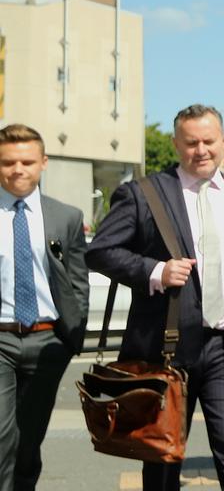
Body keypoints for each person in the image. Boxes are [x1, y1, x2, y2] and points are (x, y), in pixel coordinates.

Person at [88, 104, 224, 491]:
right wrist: (155, 271)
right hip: (164, 353)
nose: (201, 150)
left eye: (209, 141)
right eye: (191, 143)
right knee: (163, 460)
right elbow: (100, 251)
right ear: (176, 144)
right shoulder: (143, 194)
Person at [0, 124, 89, 491]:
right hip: (1, 339)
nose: (17, 169)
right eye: (8, 162)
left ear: (43, 163)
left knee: (29, 439)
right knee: (1, 437)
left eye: (26, 161)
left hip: (47, 341)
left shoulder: (65, 217)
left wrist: (71, 337)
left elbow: (78, 281)